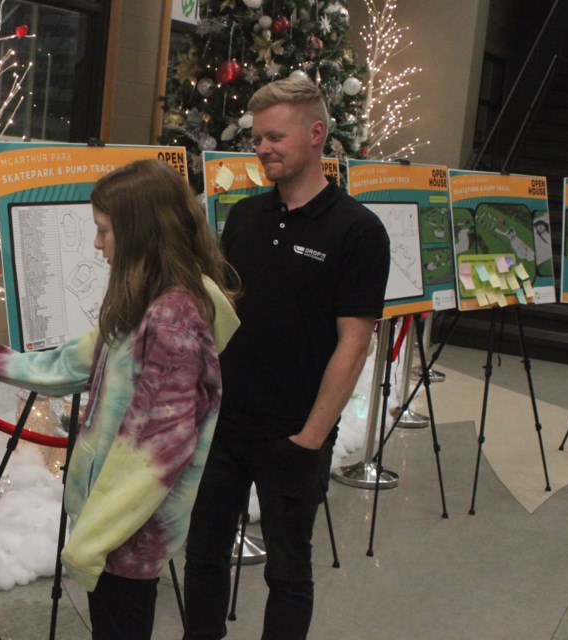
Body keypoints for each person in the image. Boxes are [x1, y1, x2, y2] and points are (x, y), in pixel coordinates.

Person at [0, 158, 239, 640]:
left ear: (140, 232)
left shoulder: (174, 321)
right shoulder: (147, 302)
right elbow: (64, 365)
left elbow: (154, 456)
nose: (97, 245)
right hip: (114, 526)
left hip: (126, 534)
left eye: (104, 231)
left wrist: (90, 542)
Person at [183, 78, 391, 640]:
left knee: (288, 572)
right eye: (257, 138)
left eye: (275, 136)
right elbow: (221, 313)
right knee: (202, 557)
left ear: (316, 134)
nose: (262, 148)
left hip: (295, 433)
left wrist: (311, 439)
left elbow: (355, 341)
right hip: (225, 426)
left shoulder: (358, 231)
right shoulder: (246, 217)